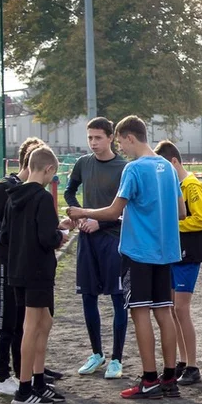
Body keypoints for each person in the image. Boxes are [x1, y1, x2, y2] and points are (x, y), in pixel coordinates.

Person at [67, 116, 185, 400]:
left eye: (120, 141)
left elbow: (112, 211)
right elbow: (181, 212)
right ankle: (170, 378)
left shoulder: (133, 169)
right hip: (165, 252)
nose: (121, 147)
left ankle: (148, 380)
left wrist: (82, 212)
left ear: (130, 138)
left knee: (140, 312)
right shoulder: (168, 168)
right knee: (164, 312)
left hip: (139, 253)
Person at [0, 137, 53, 396]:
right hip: (6, 263)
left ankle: (29, 372)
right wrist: (11, 233)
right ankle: (1, 376)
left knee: (27, 320)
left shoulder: (32, 191)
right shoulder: (6, 188)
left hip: (25, 263)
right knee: (5, 320)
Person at [2, 146, 72, 404]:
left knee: (45, 322)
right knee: (31, 327)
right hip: (38, 270)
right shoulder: (42, 198)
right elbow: (47, 237)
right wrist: (60, 237)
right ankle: (23, 389)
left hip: (18, 269)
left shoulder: (13, 196)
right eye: (53, 175)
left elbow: (6, 235)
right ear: (48, 170)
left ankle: (39, 381)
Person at [64, 117, 128, 380]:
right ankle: (96, 353)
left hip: (113, 240)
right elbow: (69, 193)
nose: (93, 142)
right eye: (90, 137)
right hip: (87, 241)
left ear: (111, 137)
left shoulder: (124, 168)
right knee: (88, 296)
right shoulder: (83, 163)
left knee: (117, 300)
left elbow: (127, 209)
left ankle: (116, 359)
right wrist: (79, 216)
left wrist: (98, 223)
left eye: (98, 137)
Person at [154, 140, 202, 386]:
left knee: (181, 309)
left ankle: (193, 365)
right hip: (175, 255)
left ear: (174, 162)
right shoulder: (175, 184)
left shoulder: (191, 185)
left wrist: (171, 227)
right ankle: (183, 361)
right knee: (173, 309)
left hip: (189, 255)